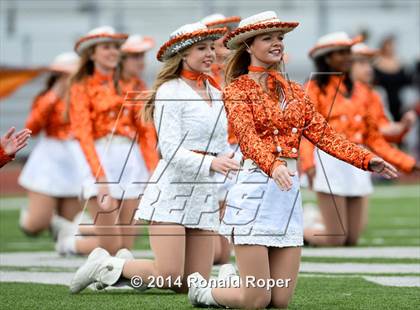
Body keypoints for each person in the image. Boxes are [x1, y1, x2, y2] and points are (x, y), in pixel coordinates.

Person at [186, 11, 398, 309]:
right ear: (248, 45)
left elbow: (325, 135)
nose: (277, 44)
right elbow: (247, 138)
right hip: (254, 189)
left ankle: (232, 281)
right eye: (268, 38)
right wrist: (273, 165)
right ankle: (206, 292)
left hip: (287, 194)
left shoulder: (295, 91)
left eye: (280, 38)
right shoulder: (237, 90)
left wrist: (366, 160)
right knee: (257, 299)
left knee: (280, 300)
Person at [69, 22, 240, 294]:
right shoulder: (170, 91)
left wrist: (240, 162)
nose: (210, 53)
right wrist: (211, 162)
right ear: (183, 54)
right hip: (172, 190)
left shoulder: (217, 94)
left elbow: (221, 145)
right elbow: (170, 150)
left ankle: (120, 271)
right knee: (168, 276)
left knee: (190, 285)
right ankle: (105, 264)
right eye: (201, 48)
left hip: (203, 191)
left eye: (211, 47)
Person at [300, 32, 419, 247]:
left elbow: (375, 137)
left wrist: (408, 163)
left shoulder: (364, 92)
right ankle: (297, 232)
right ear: (327, 58)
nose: (348, 57)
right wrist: (307, 163)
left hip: (359, 160)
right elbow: (307, 132)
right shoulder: (315, 89)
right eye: (342, 53)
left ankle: (313, 220)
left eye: (349, 53)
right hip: (329, 161)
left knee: (352, 238)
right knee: (335, 239)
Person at [57, 26, 154, 256]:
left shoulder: (133, 85)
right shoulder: (81, 86)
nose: (112, 52)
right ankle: (69, 244)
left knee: (125, 247)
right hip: (98, 158)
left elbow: (146, 131)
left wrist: (153, 170)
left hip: (131, 161)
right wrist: (99, 178)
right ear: (92, 54)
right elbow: (83, 134)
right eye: (106, 47)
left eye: (115, 47)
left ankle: (83, 230)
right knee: (111, 245)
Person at [18, 52, 86, 237]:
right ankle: (34, 215)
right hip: (49, 158)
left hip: (76, 158)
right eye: (64, 74)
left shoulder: (86, 95)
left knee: (68, 228)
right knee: (35, 225)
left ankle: (61, 235)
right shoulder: (46, 97)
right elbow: (32, 128)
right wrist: (54, 95)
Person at [201, 13, 241, 265]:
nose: (224, 43)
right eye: (218, 38)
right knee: (214, 254)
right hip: (213, 151)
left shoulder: (239, 71)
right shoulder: (204, 75)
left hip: (238, 146)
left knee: (223, 255)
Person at [351, 43, 417, 144]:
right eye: (362, 63)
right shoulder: (337, 93)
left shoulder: (375, 94)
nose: (369, 69)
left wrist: (403, 125)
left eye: (370, 63)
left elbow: (383, 129)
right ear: (346, 65)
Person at [373, 35, 412, 122]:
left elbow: (408, 85)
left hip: (399, 104)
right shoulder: (376, 64)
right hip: (382, 104)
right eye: (388, 45)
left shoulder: (401, 64)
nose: (391, 48)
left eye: (392, 45)